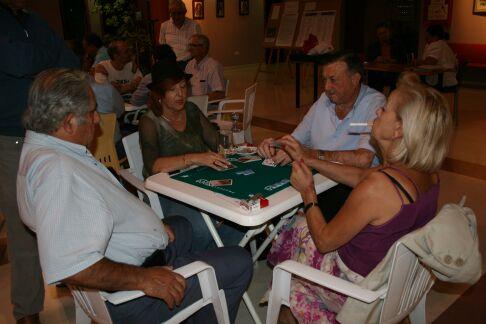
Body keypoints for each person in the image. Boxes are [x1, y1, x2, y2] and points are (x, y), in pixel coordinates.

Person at [16, 68, 252, 323]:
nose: (97, 120)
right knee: (239, 261)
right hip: (133, 293)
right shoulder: (58, 173)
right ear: (69, 122)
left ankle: (195, 288)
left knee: (186, 226)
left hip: (135, 254)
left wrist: (150, 226)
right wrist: (146, 279)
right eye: (92, 112)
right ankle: (199, 299)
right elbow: (73, 265)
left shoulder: (41, 150)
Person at [267, 84, 453, 323]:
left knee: (292, 233)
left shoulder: (378, 187)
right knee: (300, 228)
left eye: (384, 110)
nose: (377, 112)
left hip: (360, 291)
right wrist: (309, 158)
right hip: (394, 280)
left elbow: (324, 241)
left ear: (399, 129)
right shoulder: (424, 173)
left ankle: (291, 292)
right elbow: (359, 176)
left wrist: (308, 192)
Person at [0, 1, 79, 322]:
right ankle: (27, 309)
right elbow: (17, 61)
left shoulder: (33, 19)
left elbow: (70, 59)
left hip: (50, 133)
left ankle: (70, 277)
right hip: (10, 138)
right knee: (22, 228)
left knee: (68, 213)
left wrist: (36, 52)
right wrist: (46, 53)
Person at [258, 52, 386, 221]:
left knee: (285, 213)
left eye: (333, 80)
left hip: (354, 188)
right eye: (324, 79)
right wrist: (275, 145)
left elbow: (363, 159)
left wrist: (310, 154)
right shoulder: (324, 100)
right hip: (319, 179)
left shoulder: (374, 103)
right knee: (270, 204)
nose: (326, 87)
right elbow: (296, 139)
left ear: (355, 79)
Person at [139, 59, 245, 251]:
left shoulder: (192, 110)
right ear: (159, 95)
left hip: (199, 179)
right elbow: (152, 166)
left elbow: (215, 141)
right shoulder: (149, 122)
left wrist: (236, 144)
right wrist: (194, 157)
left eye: (183, 87)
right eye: (172, 89)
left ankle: (220, 258)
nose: (180, 94)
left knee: (240, 212)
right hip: (167, 192)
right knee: (203, 227)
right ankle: (203, 261)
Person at [366, 22, 407, 92]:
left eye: (385, 32)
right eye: (380, 34)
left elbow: (404, 59)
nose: (383, 35)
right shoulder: (373, 46)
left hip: (393, 73)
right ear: (377, 35)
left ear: (389, 33)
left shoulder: (398, 45)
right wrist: (376, 59)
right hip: (377, 74)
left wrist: (393, 61)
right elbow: (368, 60)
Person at [159, 0, 202, 67]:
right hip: (169, 63)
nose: (176, 17)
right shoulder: (164, 26)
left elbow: (199, 47)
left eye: (179, 13)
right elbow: (162, 47)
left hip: (188, 62)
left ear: (185, 12)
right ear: (170, 13)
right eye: (173, 13)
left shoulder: (194, 25)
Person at [185, 34, 225, 101]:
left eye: (193, 45)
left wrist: (198, 101)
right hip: (191, 103)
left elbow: (219, 94)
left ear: (203, 48)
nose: (190, 49)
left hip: (205, 107)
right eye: (190, 45)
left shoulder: (213, 66)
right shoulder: (190, 65)